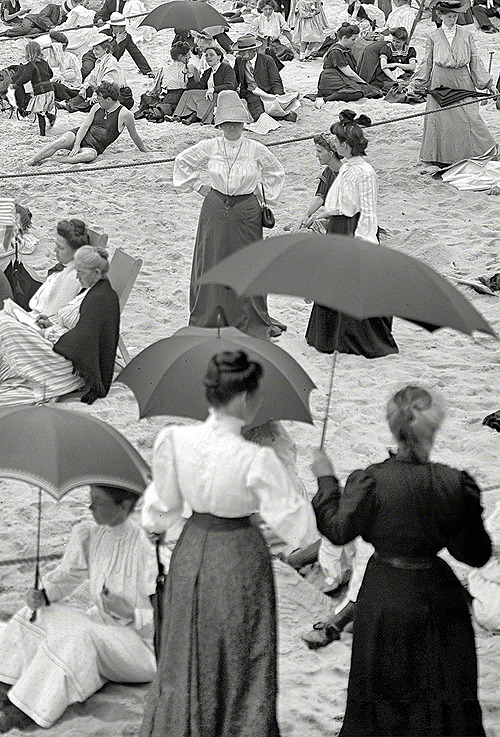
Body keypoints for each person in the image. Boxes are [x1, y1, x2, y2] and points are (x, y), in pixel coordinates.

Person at [139, 350, 319, 736]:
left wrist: (154, 525)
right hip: (238, 555)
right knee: (241, 654)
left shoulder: (173, 439)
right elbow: (299, 529)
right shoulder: (256, 459)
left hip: (191, 548)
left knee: (187, 647)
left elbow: (162, 507)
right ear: (244, 398)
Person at [311, 385, 491, 735]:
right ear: (434, 429)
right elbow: (473, 554)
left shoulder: (371, 481)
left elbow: (337, 530)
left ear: (393, 428)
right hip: (437, 593)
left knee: (380, 690)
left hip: (384, 592)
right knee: (442, 687)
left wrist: (326, 479)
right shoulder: (453, 483)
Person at [0, 484, 157, 732]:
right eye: (90, 498)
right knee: (37, 615)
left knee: (80, 635)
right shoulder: (91, 535)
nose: (90, 506)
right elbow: (68, 576)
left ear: (124, 507)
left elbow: (170, 614)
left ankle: (25, 710)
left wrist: (129, 612)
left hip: (141, 646)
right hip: (103, 630)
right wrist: (44, 594)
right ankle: (6, 684)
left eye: (99, 501)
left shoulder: (147, 550)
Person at [173, 90, 285, 339]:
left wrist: (262, 196)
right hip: (214, 208)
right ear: (220, 124)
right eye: (227, 123)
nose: (232, 127)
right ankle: (210, 314)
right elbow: (182, 162)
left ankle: (249, 316)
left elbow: (276, 172)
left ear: (244, 123)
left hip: (246, 211)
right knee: (211, 258)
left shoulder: (255, 148)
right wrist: (198, 187)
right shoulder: (210, 146)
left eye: (236, 122)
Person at [306, 111, 399, 357]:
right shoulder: (347, 168)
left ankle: (357, 340)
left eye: (337, 143)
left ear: (346, 145)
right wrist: (325, 214)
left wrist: (365, 242)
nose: (334, 147)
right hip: (338, 226)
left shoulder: (365, 172)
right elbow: (340, 201)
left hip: (354, 230)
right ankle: (330, 338)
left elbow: (368, 211)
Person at [0, 245, 120, 404]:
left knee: (6, 326)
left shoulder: (101, 299)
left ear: (97, 273)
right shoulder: (92, 291)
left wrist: (47, 333)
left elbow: (84, 343)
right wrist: (50, 325)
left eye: (81, 272)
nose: (77, 277)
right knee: (5, 321)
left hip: (67, 362)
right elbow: (77, 329)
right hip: (61, 345)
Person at [407, 0, 497, 166]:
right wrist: (415, 84)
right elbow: (427, 62)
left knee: (470, 117)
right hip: (440, 82)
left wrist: (489, 84)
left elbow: (475, 60)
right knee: (441, 121)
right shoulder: (433, 36)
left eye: (455, 16)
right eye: (449, 16)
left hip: (462, 80)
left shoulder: (466, 34)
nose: (452, 19)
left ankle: (485, 151)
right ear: (440, 15)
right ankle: (441, 158)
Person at [29, 81, 147, 165]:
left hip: (94, 146)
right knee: (61, 141)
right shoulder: (96, 107)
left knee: (88, 156)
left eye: (100, 98)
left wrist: (145, 151)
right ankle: (33, 160)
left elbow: (134, 135)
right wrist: (77, 144)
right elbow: (85, 126)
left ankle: (54, 162)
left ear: (108, 100)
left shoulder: (125, 114)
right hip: (80, 135)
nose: (97, 100)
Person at [27, 218, 89, 316]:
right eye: (56, 245)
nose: (55, 250)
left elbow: (52, 315)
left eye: (61, 247)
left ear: (76, 252)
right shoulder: (64, 268)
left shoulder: (72, 278)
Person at [233, 33, 299, 122]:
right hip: (250, 91)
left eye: (243, 51)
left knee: (275, 104)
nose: (240, 54)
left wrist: (278, 95)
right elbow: (235, 77)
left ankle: (282, 116)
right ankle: (266, 119)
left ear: (253, 50)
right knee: (256, 107)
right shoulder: (239, 60)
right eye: (240, 51)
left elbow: (275, 80)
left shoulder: (267, 60)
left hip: (267, 90)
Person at [316, 24, 383, 103]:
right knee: (357, 93)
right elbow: (349, 73)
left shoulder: (345, 48)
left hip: (341, 77)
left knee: (375, 92)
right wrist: (365, 84)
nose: (354, 42)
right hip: (332, 79)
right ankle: (324, 100)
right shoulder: (336, 51)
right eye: (353, 39)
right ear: (344, 38)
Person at [173, 46, 237, 125]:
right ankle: (178, 116)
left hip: (222, 96)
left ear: (219, 57)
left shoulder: (226, 68)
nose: (208, 57)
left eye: (211, 55)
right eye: (206, 55)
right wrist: (190, 76)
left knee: (213, 96)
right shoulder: (207, 72)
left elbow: (230, 86)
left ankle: (195, 117)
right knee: (188, 93)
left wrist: (213, 89)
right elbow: (199, 86)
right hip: (209, 95)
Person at [64, 34, 127, 113]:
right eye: (93, 49)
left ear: (105, 49)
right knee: (85, 92)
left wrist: (95, 95)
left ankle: (75, 106)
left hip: (119, 94)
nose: (94, 52)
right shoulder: (100, 61)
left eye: (97, 49)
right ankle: (71, 104)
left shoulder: (111, 62)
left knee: (96, 102)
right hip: (104, 90)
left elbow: (106, 83)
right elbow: (92, 77)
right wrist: (84, 88)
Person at [81, 11, 153, 80]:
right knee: (87, 71)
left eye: (124, 26)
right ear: (113, 27)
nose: (124, 29)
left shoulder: (126, 37)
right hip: (93, 58)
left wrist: (147, 70)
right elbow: (105, 51)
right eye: (121, 26)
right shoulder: (103, 34)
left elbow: (136, 53)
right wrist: (117, 41)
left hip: (109, 62)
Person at [298, 133, 342, 232]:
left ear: (331, 153)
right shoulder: (328, 170)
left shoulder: (346, 173)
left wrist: (316, 218)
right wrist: (306, 214)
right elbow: (320, 196)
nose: (316, 155)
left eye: (320, 151)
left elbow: (339, 208)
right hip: (333, 214)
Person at [12, 41, 56, 136]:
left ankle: (42, 134)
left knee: (39, 113)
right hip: (50, 90)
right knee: (43, 109)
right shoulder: (44, 62)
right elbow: (51, 74)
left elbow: (25, 78)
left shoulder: (31, 65)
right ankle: (50, 116)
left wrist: (16, 85)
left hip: (41, 91)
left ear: (28, 53)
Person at [357, 26, 417, 91]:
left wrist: (396, 64)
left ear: (404, 41)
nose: (394, 43)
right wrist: (395, 80)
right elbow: (384, 66)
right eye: (393, 40)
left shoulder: (410, 50)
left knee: (413, 82)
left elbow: (412, 67)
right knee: (392, 85)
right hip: (388, 76)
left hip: (404, 75)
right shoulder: (387, 48)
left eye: (398, 42)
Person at [250, 0, 295, 65]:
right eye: (265, 9)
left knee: (288, 54)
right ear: (262, 9)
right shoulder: (258, 19)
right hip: (262, 42)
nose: (268, 11)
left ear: (273, 8)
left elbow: (285, 29)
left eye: (270, 9)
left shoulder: (278, 16)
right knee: (263, 54)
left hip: (275, 43)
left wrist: (292, 43)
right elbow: (251, 33)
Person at [44, 31, 82, 102]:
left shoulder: (71, 57)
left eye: (54, 43)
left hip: (70, 87)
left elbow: (78, 78)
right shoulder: (49, 58)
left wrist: (62, 78)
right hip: (54, 85)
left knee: (54, 86)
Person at [0, 0, 69, 37]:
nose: (65, 14)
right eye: (64, 12)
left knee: (30, 34)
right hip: (31, 19)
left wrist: (25, 11)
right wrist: (51, 26)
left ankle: (14, 32)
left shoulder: (65, 17)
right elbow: (42, 15)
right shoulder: (52, 7)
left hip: (41, 28)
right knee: (25, 29)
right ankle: (6, 33)